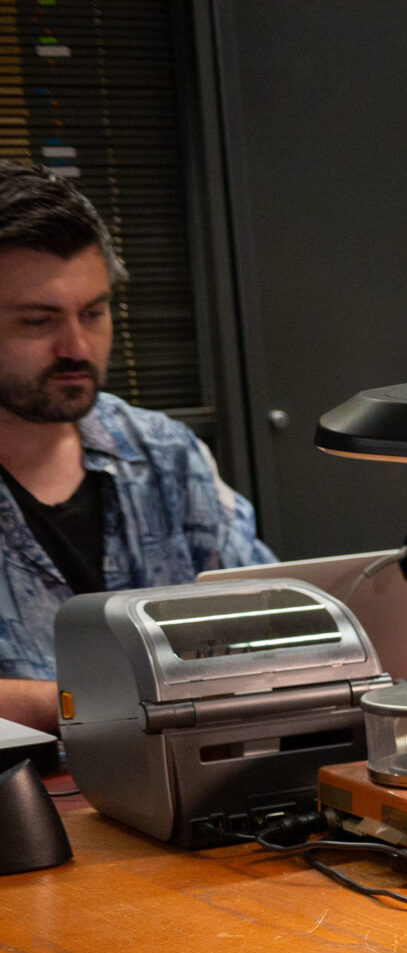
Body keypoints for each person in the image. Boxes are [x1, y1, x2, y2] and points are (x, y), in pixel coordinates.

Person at [0, 164, 272, 731]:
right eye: (37, 321)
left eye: (94, 314)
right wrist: (94, 705)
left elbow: (271, 625)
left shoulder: (164, 455)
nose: (76, 346)